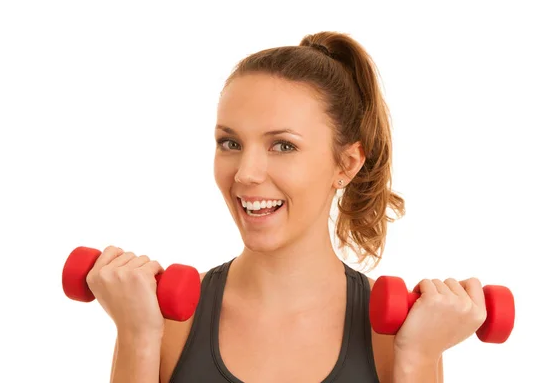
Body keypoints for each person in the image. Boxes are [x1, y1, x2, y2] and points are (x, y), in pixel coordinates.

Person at [87, 31, 488, 383]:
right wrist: (137, 337)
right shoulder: (168, 322)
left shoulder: (399, 336)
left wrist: (418, 357)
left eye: (283, 146)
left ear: (346, 164)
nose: (245, 173)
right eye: (230, 143)